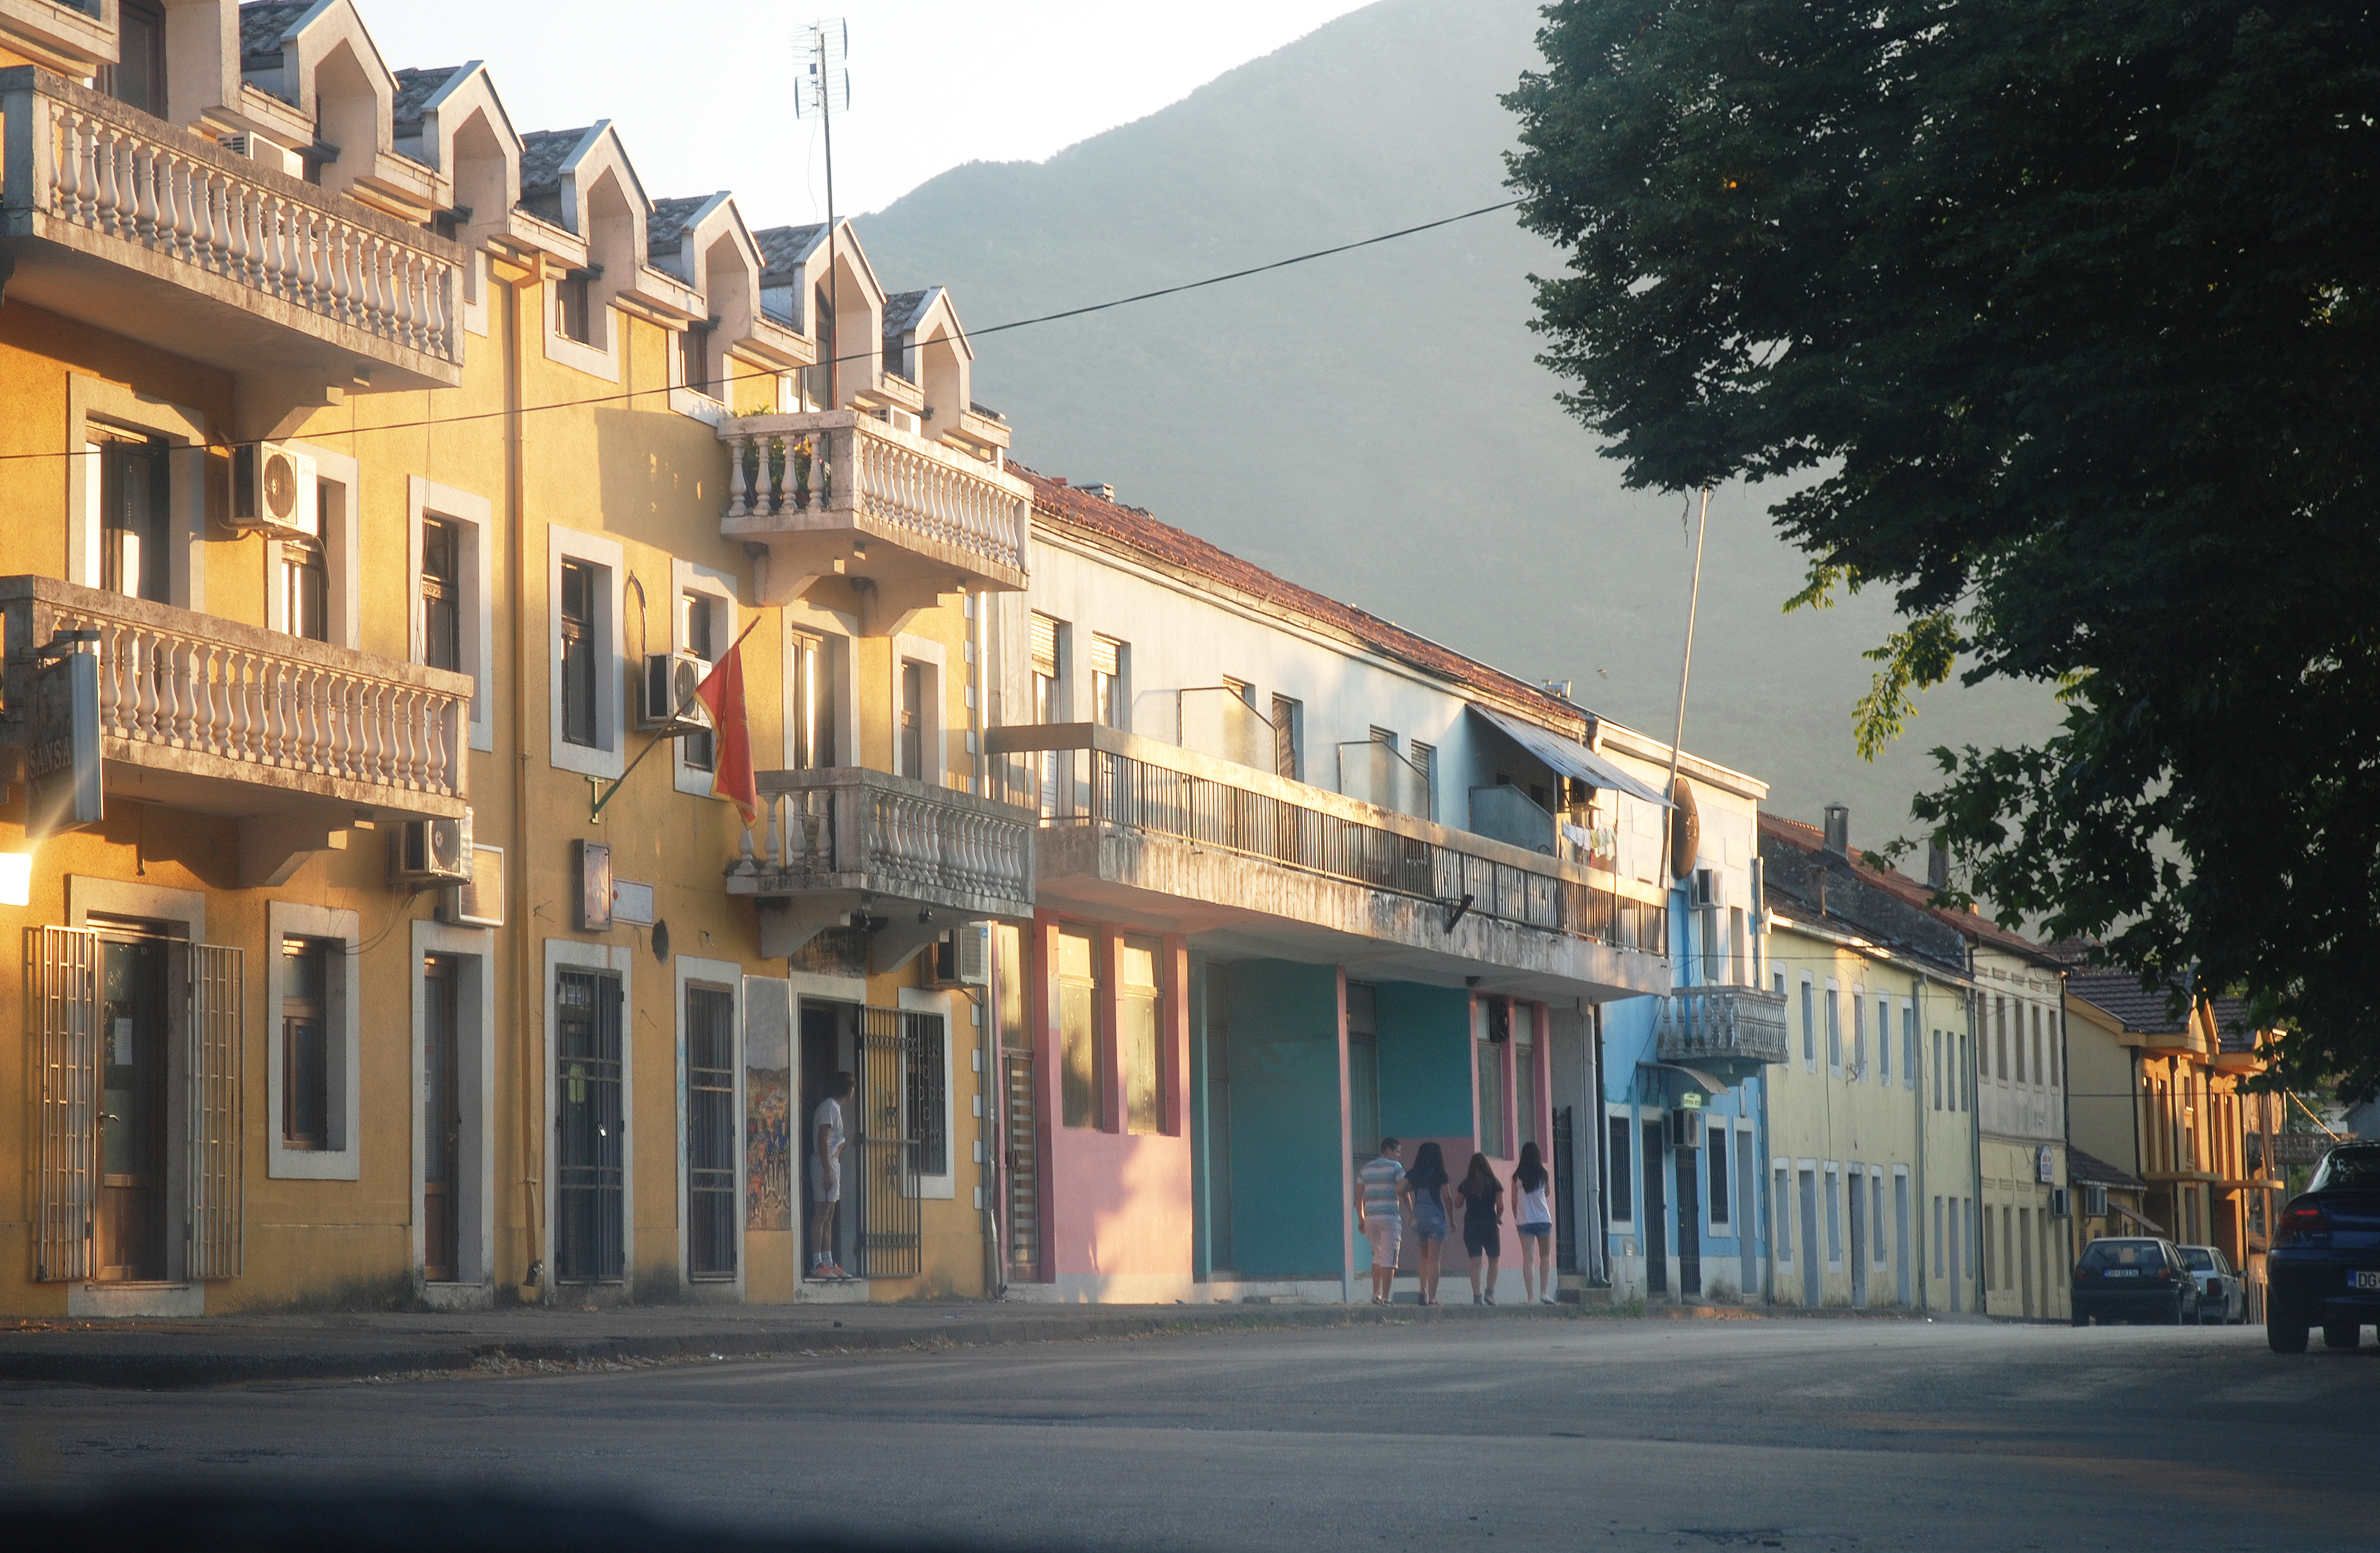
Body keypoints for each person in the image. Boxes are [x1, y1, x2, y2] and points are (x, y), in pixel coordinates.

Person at [810, 1071, 855, 1280]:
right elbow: (822, 1138)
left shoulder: (835, 1109)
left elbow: (836, 1139)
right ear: (849, 1090)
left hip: (832, 1163)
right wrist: (827, 1170)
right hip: (824, 1165)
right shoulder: (829, 1107)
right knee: (821, 1214)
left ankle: (828, 1261)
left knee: (829, 1214)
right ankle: (817, 1262)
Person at [1356, 1136, 1406, 1304]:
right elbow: (1403, 1190)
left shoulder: (1366, 1168)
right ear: (1388, 1150)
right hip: (1389, 1217)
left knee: (1377, 1255)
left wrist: (1361, 1218)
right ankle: (1386, 1297)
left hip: (1371, 1218)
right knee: (1389, 1258)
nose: (1399, 1155)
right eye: (1397, 1151)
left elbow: (1358, 1196)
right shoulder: (1396, 1167)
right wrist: (1411, 1211)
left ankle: (1376, 1293)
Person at [1405, 1141, 1455, 1307]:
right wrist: (1452, 1219)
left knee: (1424, 1257)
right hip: (1435, 1218)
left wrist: (1410, 1210)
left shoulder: (1415, 1173)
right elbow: (1447, 1198)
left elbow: (1399, 1189)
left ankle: (1423, 1290)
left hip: (1418, 1218)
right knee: (1435, 1259)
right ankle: (1433, 1298)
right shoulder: (1440, 1174)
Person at [1512, 1140, 1556, 1304]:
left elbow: (1514, 1202)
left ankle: (1530, 1297)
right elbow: (1548, 1193)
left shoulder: (1517, 1176)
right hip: (1543, 1220)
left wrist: (1518, 1217)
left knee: (1528, 1259)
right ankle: (1544, 1293)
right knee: (1545, 1256)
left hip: (1524, 1221)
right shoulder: (1543, 1174)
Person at [1457, 1151, 1504, 1305]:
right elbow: (1501, 1206)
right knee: (1494, 1260)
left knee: (1475, 1263)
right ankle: (1490, 1293)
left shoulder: (1466, 1183)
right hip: (1490, 1224)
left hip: (1471, 1225)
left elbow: (1458, 1204)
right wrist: (1498, 1217)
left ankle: (1477, 1296)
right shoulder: (1494, 1182)